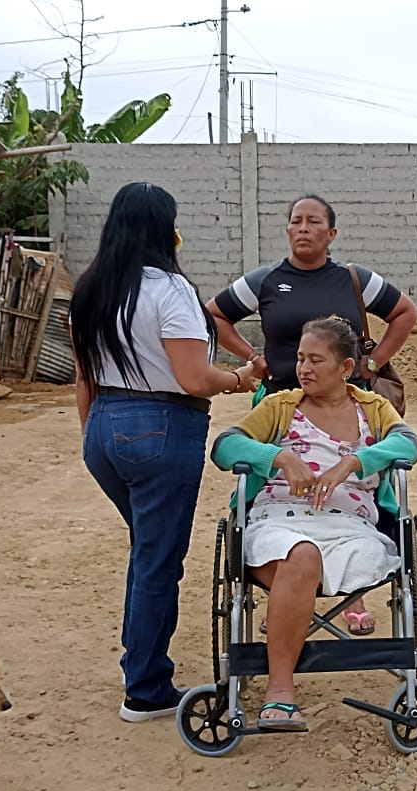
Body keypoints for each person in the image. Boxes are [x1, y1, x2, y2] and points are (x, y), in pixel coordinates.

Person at [69, 182, 256, 723]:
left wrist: (94, 436)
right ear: (162, 229)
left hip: (104, 425)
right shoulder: (170, 290)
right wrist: (240, 378)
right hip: (162, 427)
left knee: (146, 550)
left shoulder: (90, 290)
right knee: (157, 559)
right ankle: (145, 689)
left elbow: (83, 377)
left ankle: (141, 669)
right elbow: (195, 378)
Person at [208, 193, 417, 634]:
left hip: (344, 401)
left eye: (313, 221)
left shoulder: (353, 279)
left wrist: (374, 362)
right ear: (287, 229)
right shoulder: (266, 280)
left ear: (331, 233)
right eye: (295, 221)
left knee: (350, 494)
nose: (303, 228)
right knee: (280, 490)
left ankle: (351, 597)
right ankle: (284, 592)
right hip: (281, 404)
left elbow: (405, 312)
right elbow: (215, 315)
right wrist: (253, 358)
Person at [209, 316, 417, 730]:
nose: (303, 368)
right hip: (279, 522)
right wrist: (278, 457)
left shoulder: (372, 408)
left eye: (316, 360)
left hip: (350, 529)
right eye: (300, 358)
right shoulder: (280, 406)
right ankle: (280, 690)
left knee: (307, 561)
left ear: (346, 367)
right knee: (302, 556)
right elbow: (225, 446)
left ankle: (288, 622)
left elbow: (408, 444)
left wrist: (353, 462)